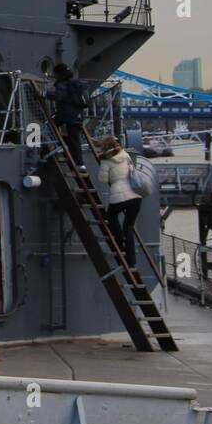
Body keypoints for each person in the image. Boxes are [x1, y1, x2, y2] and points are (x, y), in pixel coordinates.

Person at [98, 137, 143, 269]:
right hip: (135, 195)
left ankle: (119, 238)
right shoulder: (126, 154)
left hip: (119, 196)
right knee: (128, 227)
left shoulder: (106, 160)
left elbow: (102, 179)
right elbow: (132, 170)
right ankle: (131, 261)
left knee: (111, 217)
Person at [45, 63, 89, 166]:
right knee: (74, 140)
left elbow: (58, 96)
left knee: (49, 126)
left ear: (59, 74)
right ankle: (79, 163)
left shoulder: (62, 84)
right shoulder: (74, 84)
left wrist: (45, 94)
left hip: (66, 115)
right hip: (78, 115)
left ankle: (62, 145)